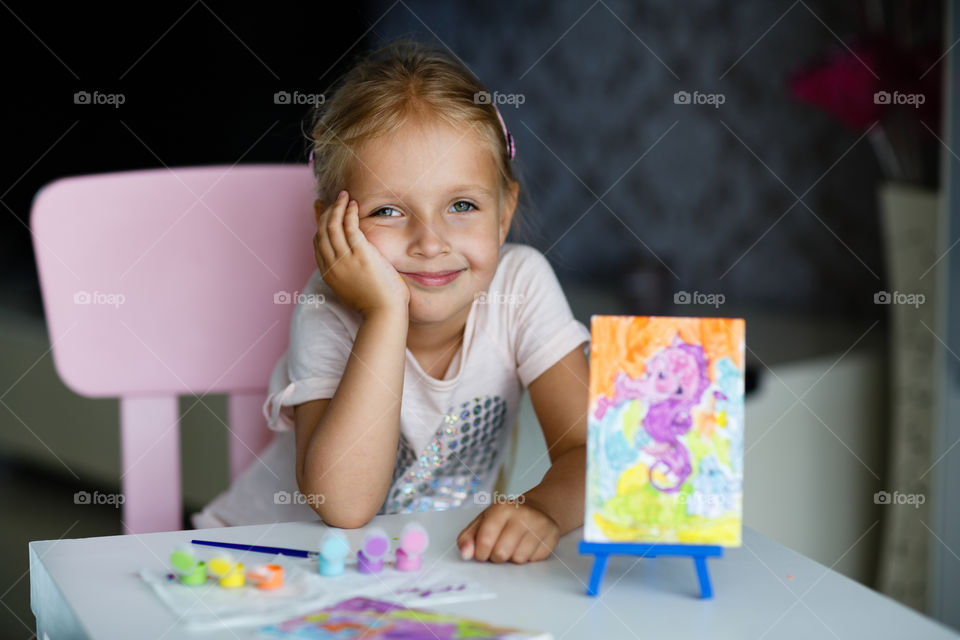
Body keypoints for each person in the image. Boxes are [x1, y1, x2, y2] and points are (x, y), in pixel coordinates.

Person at [194, 39, 590, 565]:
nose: (431, 242)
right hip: (260, 557)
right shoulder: (325, 309)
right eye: (387, 212)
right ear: (334, 228)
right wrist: (384, 315)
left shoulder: (521, 287)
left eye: (462, 205)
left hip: (405, 569)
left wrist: (542, 509)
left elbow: (594, 453)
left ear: (503, 213)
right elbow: (344, 506)